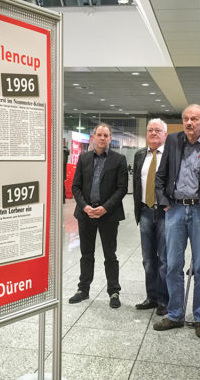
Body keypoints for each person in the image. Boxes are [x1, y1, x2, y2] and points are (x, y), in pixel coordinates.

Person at [153, 104, 200, 339]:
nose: (189, 122)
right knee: (173, 265)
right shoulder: (174, 141)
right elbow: (161, 175)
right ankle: (175, 315)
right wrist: (164, 201)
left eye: (194, 119)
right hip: (175, 209)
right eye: (186, 118)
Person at [69, 123, 128, 308]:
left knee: (110, 255)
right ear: (93, 137)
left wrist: (105, 208)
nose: (102, 138)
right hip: (86, 214)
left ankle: (114, 292)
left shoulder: (119, 160)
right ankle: (83, 289)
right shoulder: (84, 158)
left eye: (106, 135)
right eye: (99, 135)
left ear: (110, 138)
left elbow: (122, 188)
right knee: (86, 254)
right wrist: (85, 207)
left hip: (108, 216)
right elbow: (75, 186)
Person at [132, 118, 168, 316]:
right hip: (145, 211)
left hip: (164, 213)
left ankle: (164, 299)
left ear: (165, 134)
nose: (153, 133)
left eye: (157, 130)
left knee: (164, 259)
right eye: (150, 130)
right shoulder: (139, 156)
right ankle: (151, 297)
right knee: (148, 259)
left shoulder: (170, 155)